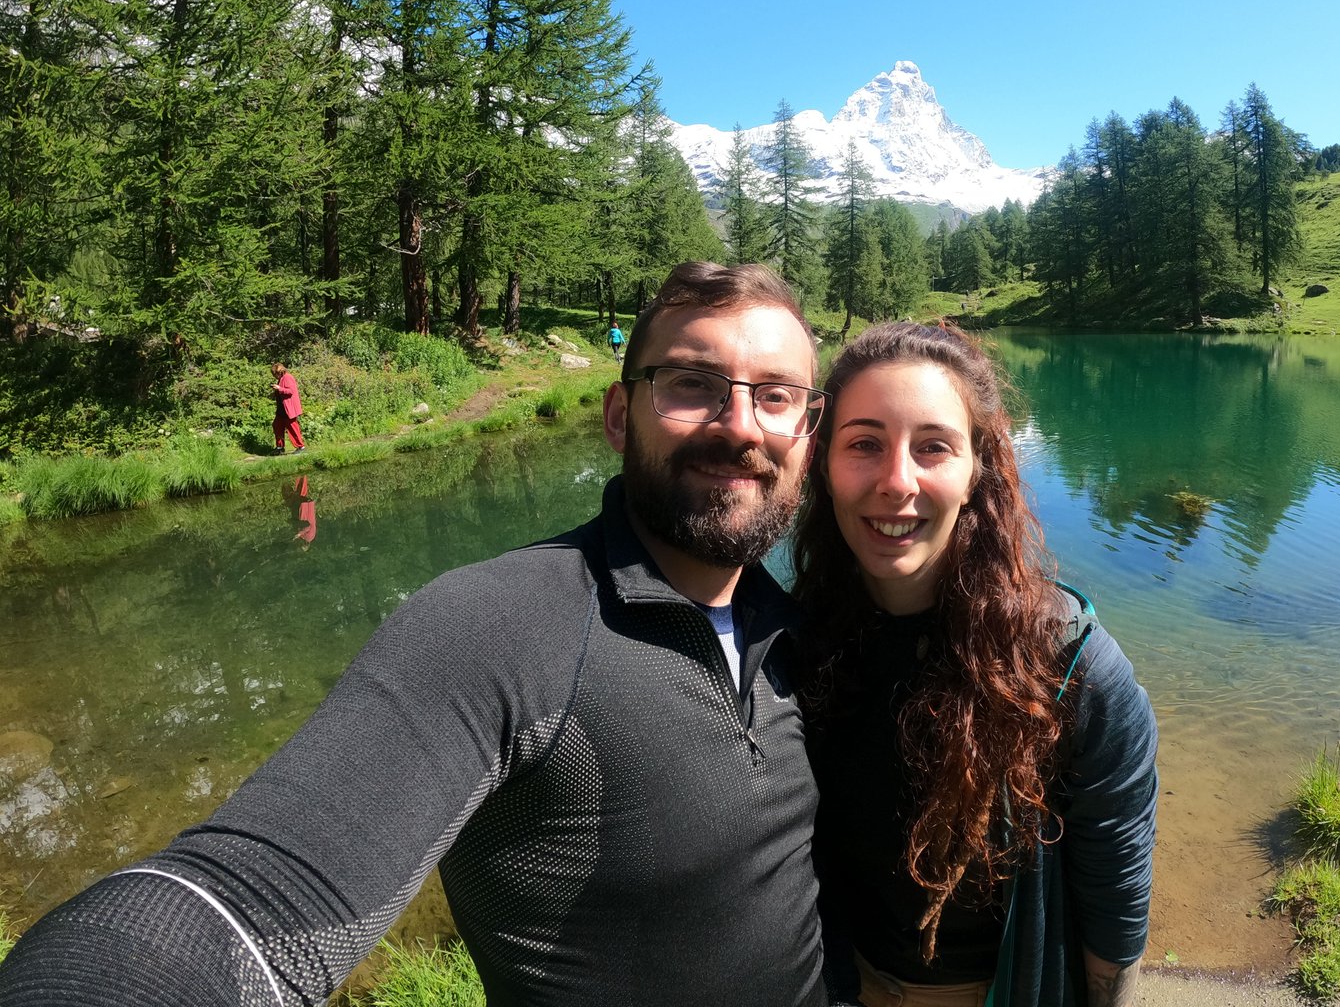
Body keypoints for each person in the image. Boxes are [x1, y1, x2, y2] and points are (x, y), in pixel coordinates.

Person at [0, 262, 832, 1007]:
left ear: (807, 433)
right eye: (691, 384)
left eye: (776, 394)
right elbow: (242, 908)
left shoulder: (803, 625)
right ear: (618, 416)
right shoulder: (499, 624)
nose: (741, 425)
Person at [792, 321, 1158, 1007]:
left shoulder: (1071, 671)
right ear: (823, 464)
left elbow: (1115, 904)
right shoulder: (792, 640)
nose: (897, 482)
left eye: (933, 447)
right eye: (864, 444)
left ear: (976, 468)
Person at [270, 361, 306, 453]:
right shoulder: (281, 378)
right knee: (277, 426)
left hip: (288, 409)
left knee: (293, 428)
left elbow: (291, 391)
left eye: (274, 374)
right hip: (281, 409)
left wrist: (279, 389)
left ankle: (300, 447)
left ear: (278, 372)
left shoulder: (287, 377)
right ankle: (280, 447)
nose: (274, 376)